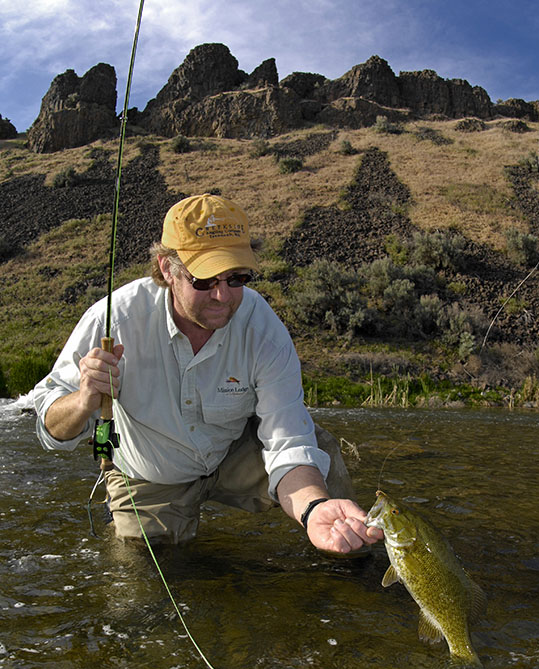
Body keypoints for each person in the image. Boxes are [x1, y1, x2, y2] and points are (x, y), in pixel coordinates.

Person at [34, 193, 382, 554]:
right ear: (167, 269)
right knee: (145, 587)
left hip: (232, 452)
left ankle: (350, 561)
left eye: (236, 278)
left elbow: (288, 440)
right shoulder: (115, 319)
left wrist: (313, 510)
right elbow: (49, 426)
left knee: (319, 457)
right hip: (150, 473)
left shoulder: (263, 328)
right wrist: (83, 400)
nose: (222, 295)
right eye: (203, 280)